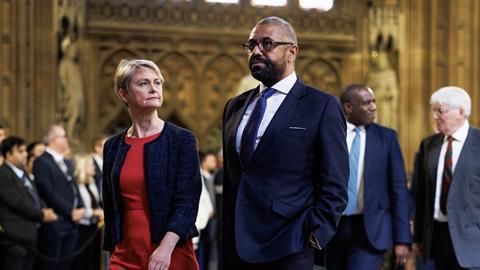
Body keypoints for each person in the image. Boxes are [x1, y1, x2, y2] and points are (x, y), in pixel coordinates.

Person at [222, 16, 349, 270]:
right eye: (251, 45)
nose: (256, 51)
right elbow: (233, 176)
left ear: (292, 52)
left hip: (290, 243)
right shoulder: (235, 106)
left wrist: (317, 233)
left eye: (267, 44)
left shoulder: (321, 105)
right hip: (237, 243)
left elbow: (335, 181)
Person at [103, 59, 201, 270]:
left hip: (170, 251)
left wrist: (165, 250)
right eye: (143, 83)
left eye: (157, 83)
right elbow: (111, 206)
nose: (153, 88)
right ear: (123, 94)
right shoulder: (112, 146)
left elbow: (187, 202)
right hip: (124, 253)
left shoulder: (181, 140)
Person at [324, 84, 411, 269]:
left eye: (373, 102)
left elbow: (399, 190)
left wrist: (402, 239)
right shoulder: (329, 133)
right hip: (332, 228)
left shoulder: (386, 137)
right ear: (348, 107)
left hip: (371, 229)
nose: (373, 107)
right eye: (366, 103)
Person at [413, 86, 480, 270]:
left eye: (440, 111)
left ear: (461, 112)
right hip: (433, 239)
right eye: (433, 110)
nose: (435, 116)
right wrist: (418, 238)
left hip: (471, 241)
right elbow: (421, 195)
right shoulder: (428, 145)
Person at [0, 136, 58, 270]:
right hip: (15, 237)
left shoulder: (23, 173)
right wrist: (41, 214)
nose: (25, 154)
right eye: (20, 151)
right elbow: (17, 202)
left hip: (30, 235)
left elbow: (35, 196)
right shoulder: (3, 174)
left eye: (26, 151)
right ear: (8, 154)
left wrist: (44, 208)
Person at [33, 125, 85, 270]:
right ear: (53, 140)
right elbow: (47, 191)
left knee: (66, 265)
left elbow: (74, 187)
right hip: (56, 223)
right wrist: (70, 211)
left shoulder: (66, 162)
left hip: (71, 223)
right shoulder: (42, 161)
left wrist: (81, 206)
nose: (67, 139)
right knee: (52, 265)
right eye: (64, 136)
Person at [72, 153, 104, 270]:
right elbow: (77, 209)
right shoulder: (76, 184)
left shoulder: (91, 183)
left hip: (93, 227)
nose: (94, 167)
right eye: (91, 165)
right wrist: (95, 213)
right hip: (81, 229)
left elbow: (96, 203)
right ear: (83, 167)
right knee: (82, 262)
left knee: (93, 261)